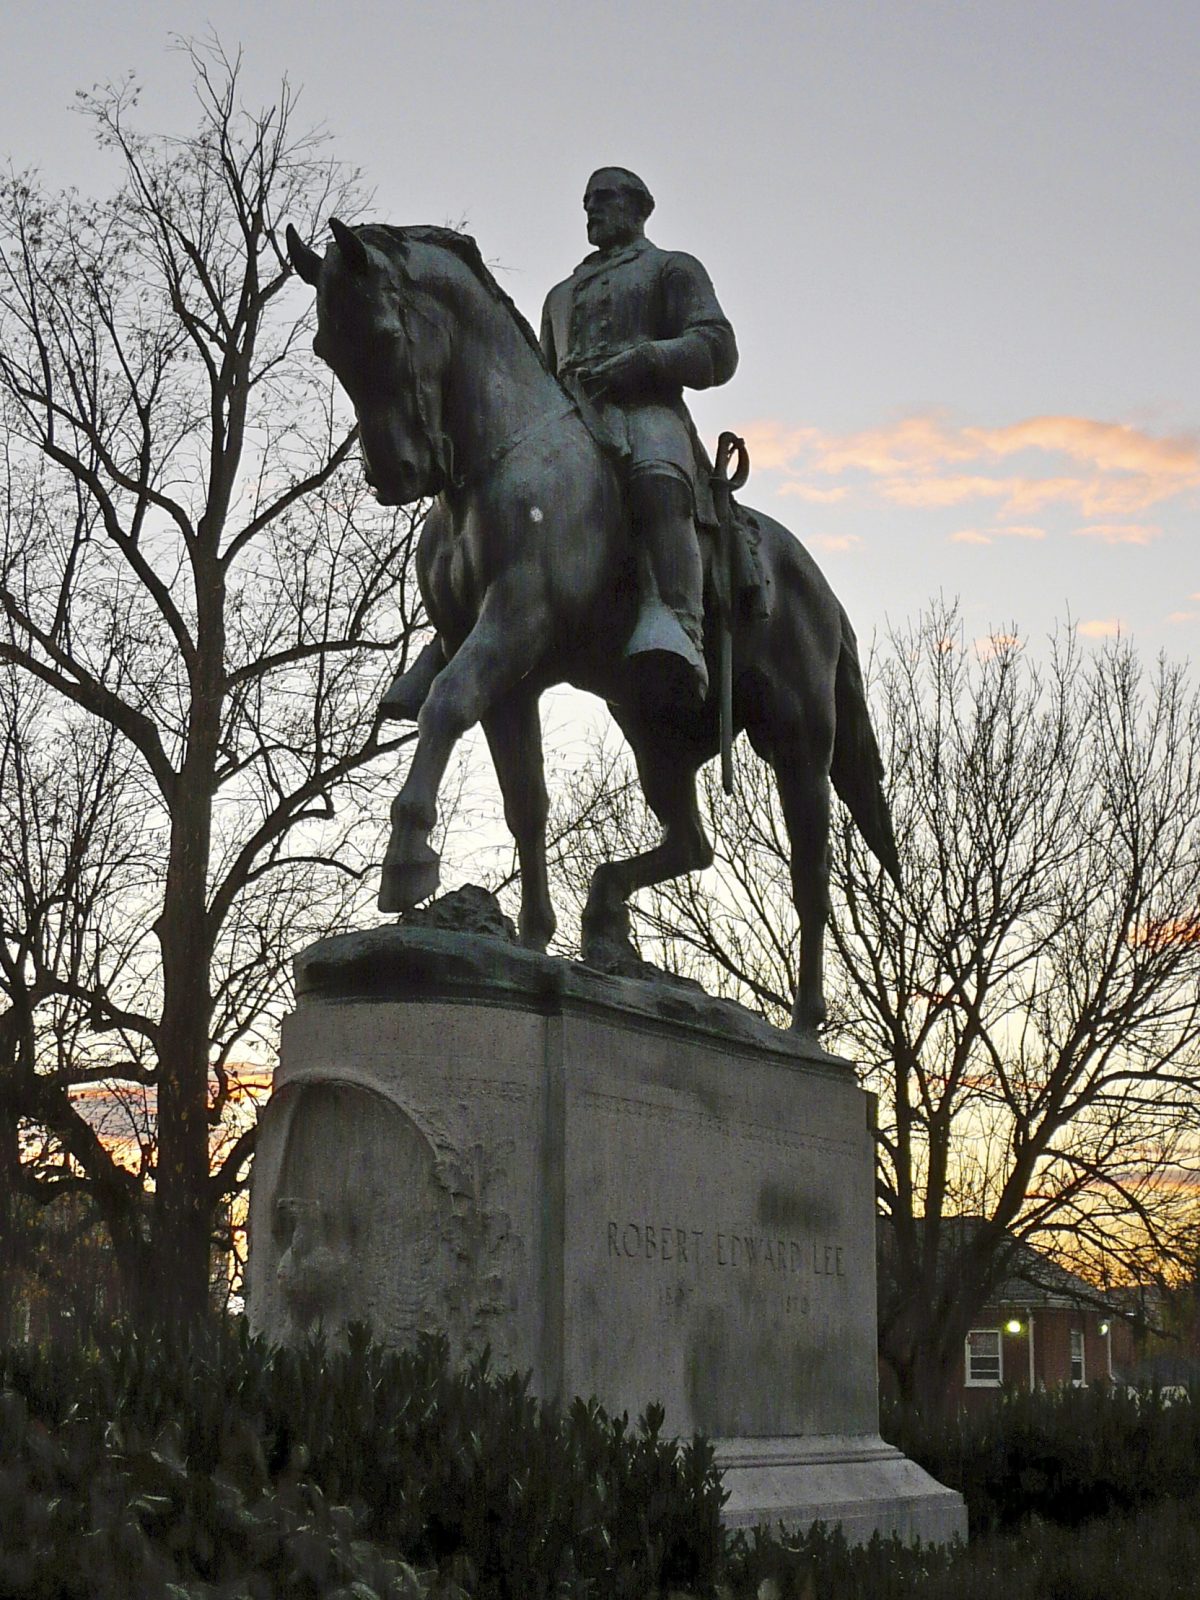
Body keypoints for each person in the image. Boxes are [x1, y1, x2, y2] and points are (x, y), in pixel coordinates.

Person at [540, 167, 738, 706]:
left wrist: (648, 359)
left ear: (639, 206)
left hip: (646, 410)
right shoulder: (559, 296)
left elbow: (718, 348)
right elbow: (541, 377)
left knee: (656, 479)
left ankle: (677, 620)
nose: (591, 210)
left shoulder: (671, 270)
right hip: (570, 423)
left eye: (603, 199)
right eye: (586, 202)